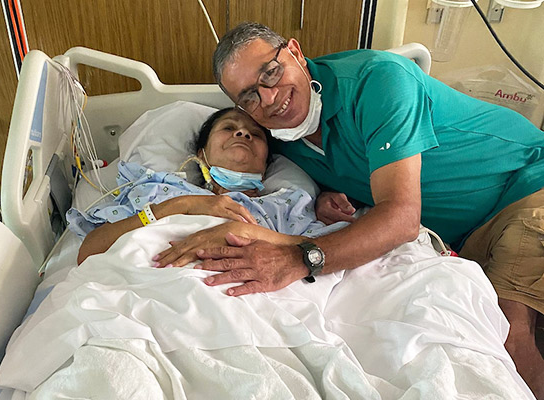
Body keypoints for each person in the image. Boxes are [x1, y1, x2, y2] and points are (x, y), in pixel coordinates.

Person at [157, 22, 544, 396]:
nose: (270, 98)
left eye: (271, 73)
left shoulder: (380, 82)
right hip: (462, 239)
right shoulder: (282, 141)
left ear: (295, 52)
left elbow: (401, 217)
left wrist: (298, 259)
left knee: (509, 334)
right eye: (249, 97)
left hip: (524, 189)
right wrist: (327, 193)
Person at [72, 107, 343, 266]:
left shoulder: (285, 206)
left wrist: (245, 231)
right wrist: (181, 205)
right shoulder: (160, 190)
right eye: (229, 128)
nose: (243, 133)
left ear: (267, 162)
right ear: (201, 155)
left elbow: (321, 251)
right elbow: (89, 252)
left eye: (255, 134)